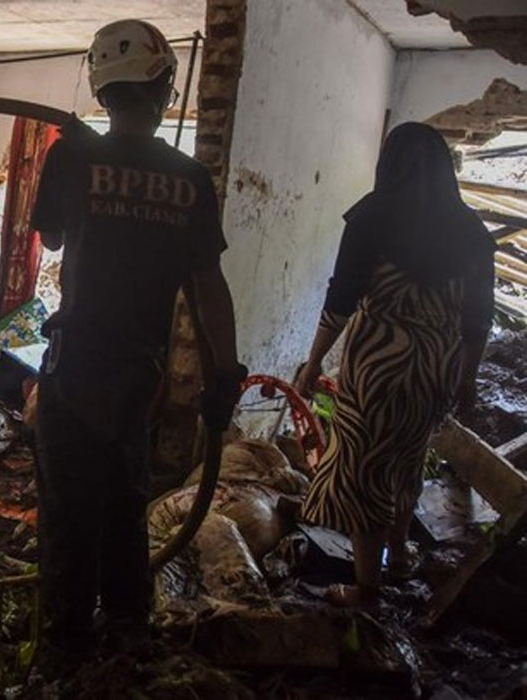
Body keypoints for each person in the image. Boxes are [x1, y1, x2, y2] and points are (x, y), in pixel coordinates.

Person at [29, 20, 244, 671]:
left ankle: (63, 649)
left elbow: (54, 238)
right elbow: (209, 286)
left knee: (67, 511)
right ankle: (128, 629)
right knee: (127, 499)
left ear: (103, 87)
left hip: (75, 366)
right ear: (163, 87)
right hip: (138, 377)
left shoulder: (70, 155)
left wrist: (86, 165)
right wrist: (225, 374)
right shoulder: (190, 179)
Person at [294, 122, 495, 608]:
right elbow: (478, 319)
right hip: (436, 366)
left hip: (377, 365)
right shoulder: (471, 231)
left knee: (366, 470)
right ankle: (399, 557)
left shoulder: (372, 215)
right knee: (408, 458)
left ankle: (366, 589)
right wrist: (465, 379)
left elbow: (340, 300)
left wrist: (313, 359)